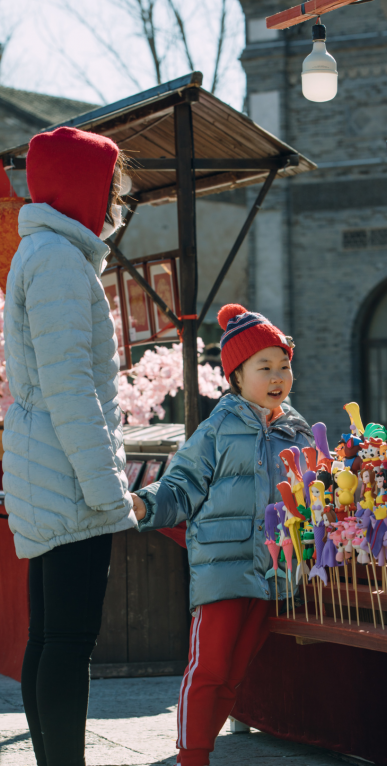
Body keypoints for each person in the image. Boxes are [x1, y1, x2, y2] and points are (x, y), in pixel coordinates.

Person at [3, 126, 137, 766]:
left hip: (46, 468)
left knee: (49, 636)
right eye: (112, 186)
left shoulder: (45, 253)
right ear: (84, 186)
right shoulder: (57, 260)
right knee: (69, 640)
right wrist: (108, 491)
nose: (116, 201)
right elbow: (70, 387)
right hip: (69, 473)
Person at [132, 303, 313, 766]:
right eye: (264, 367)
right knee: (208, 667)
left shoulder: (297, 433)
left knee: (234, 673)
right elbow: (182, 483)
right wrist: (144, 502)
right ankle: (192, 757)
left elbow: (314, 495)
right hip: (221, 569)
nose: (277, 376)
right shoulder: (217, 428)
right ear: (235, 376)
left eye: (284, 366)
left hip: (272, 571)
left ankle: (201, 750)